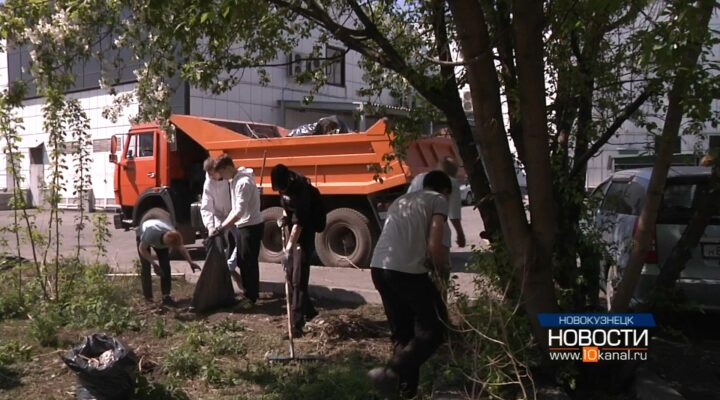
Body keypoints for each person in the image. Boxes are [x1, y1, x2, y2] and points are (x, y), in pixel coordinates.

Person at [368, 170, 452, 399]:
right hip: (406, 271)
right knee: (435, 328)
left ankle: (404, 391)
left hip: (379, 267)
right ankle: (391, 372)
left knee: (404, 333)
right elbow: (436, 243)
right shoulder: (439, 200)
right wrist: (439, 268)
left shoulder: (401, 200)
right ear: (445, 190)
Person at [271, 164, 324, 337]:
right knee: (292, 275)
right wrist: (284, 218)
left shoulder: (301, 191)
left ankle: (296, 326)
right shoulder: (284, 187)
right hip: (295, 231)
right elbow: (288, 209)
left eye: (280, 187)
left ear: (286, 182)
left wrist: (287, 250)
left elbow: (299, 223)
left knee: (298, 279)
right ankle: (309, 312)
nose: (279, 190)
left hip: (305, 232)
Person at [211, 154, 263, 304]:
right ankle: (248, 294)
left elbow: (239, 211)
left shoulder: (243, 183)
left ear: (228, 168)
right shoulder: (235, 179)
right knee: (242, 261)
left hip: (250, 226)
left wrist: (222, 227)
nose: (222, 177)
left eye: (222, 173)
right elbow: (235, 209)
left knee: (249, 262)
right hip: (243, 226)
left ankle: (251, 297)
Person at [137, 218, 201, 306]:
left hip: (160, 236)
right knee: (145, 266)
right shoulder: (149, 235)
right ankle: (148, 298)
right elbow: (142, 249)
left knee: (165, 267)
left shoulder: (173, 233)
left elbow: (181, 248)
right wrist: (154, 264)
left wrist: (191, 262)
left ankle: (166, 297)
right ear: (169, 245)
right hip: (144, 234)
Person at [407, 156, 466, 248]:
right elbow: (454, 215)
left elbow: (407, 200)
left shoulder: (419, 177)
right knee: (438, 256)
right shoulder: (451, 182)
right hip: (435, 230)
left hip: (411, 230)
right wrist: (460, 234)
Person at [199, 157, 236, 271]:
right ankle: (221, 269)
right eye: (208, 174)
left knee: (235, 242)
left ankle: (229, 267)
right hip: (219, 216)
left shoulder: (229, 179)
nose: (211, 177)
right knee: (217, 240)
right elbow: (206, 207)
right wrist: (210, 226)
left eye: (212, 174)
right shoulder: (208, 183)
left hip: (234, 215)